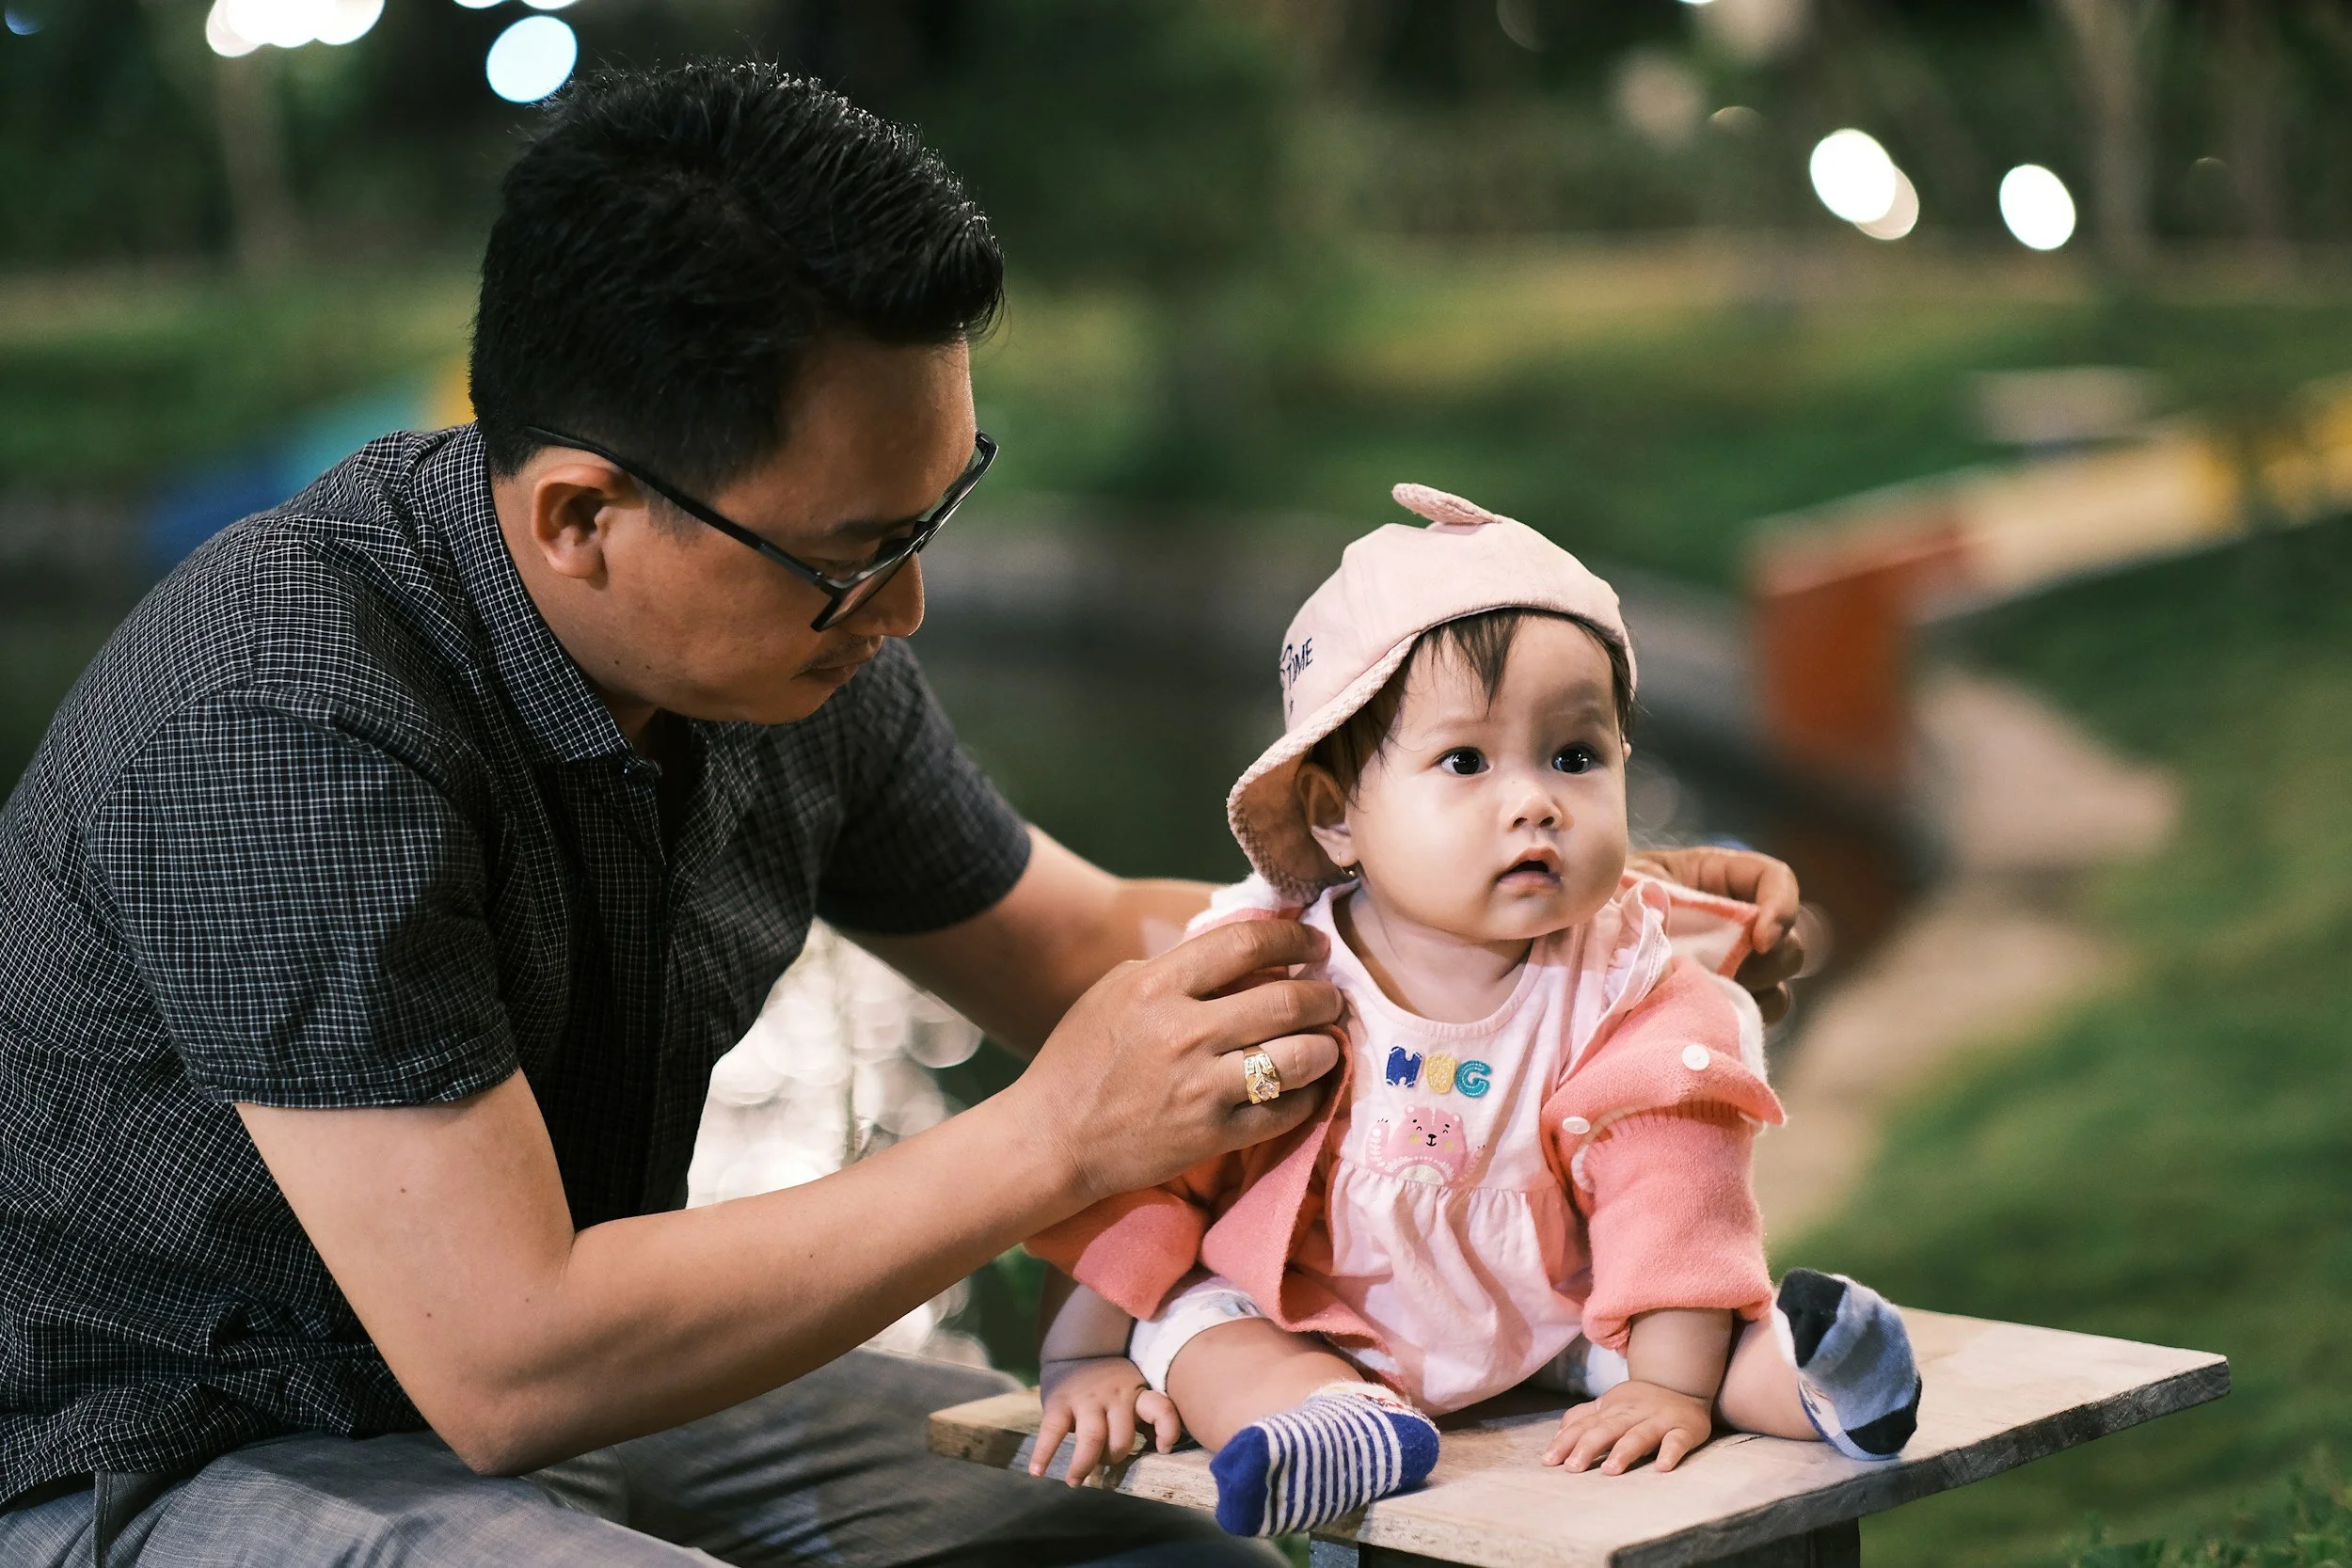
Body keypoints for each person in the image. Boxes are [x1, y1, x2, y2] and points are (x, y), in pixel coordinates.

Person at [0, 66, 1807, 1567]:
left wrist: (1539, 928)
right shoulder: (283, 714)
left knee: (1140, 1546)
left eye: (935, 520)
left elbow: (1100, 949)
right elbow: (510, 1360)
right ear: (580, 517)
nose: (907, 617)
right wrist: (1052, 1145)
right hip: (148, 1450)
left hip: (561, 1394)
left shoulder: (789, 651)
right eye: (859, 554)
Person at [1025, 486, 1921, 1538]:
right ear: (1335, 813)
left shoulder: (1624, 981)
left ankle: (1826, 1380)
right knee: (1199, 1328)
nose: (1534, 800)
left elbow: (1674, 1185)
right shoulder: (1273, 969)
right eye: (1464, 761)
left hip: (1552, 1308)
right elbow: (1155, 1158)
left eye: (1574, 756)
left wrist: (1669, 1383)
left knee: (1701, 1326)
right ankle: (1328, 1424)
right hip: (1313, 1312)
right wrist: (1080, 1348)